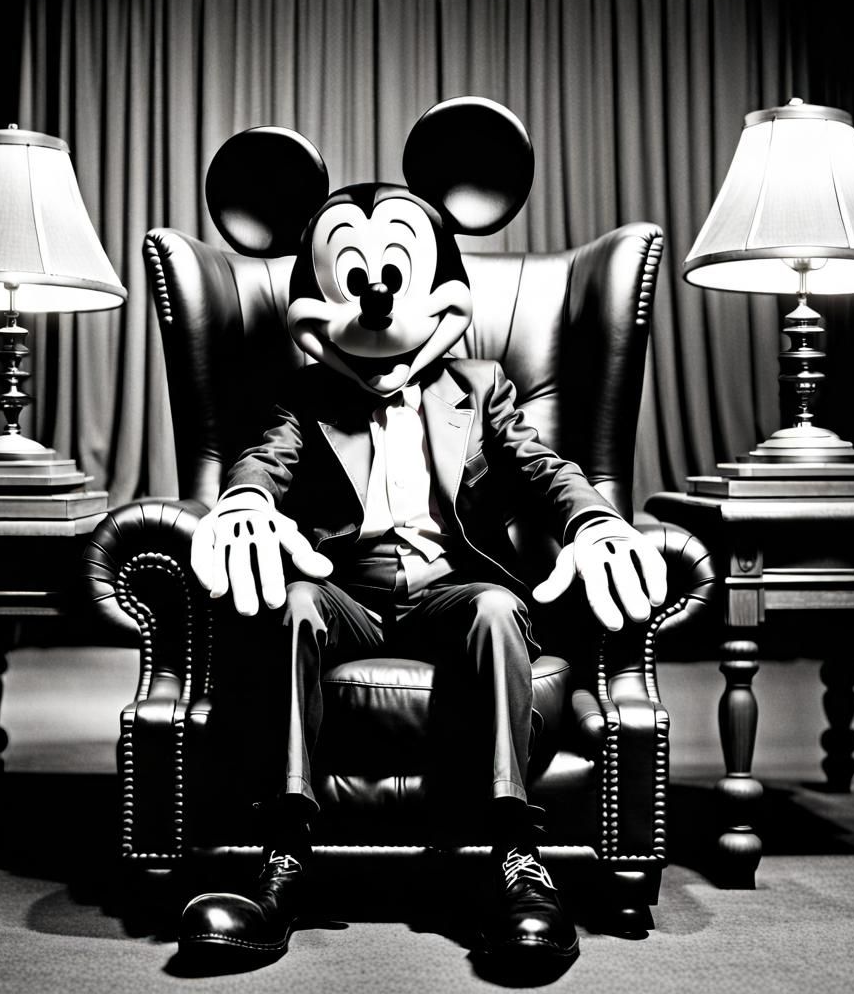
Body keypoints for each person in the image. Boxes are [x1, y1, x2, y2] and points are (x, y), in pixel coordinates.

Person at [177, 97, 667, 972]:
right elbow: (265, 459)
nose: (374, 299)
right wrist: (244, 502)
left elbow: (540, 466)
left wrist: (594, 517)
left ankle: (516, 858)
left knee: (497, 610)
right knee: (294, 603)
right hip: (348, 591)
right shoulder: (306, 395)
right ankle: (284, 858)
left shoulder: (480, 385)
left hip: (450, 589)